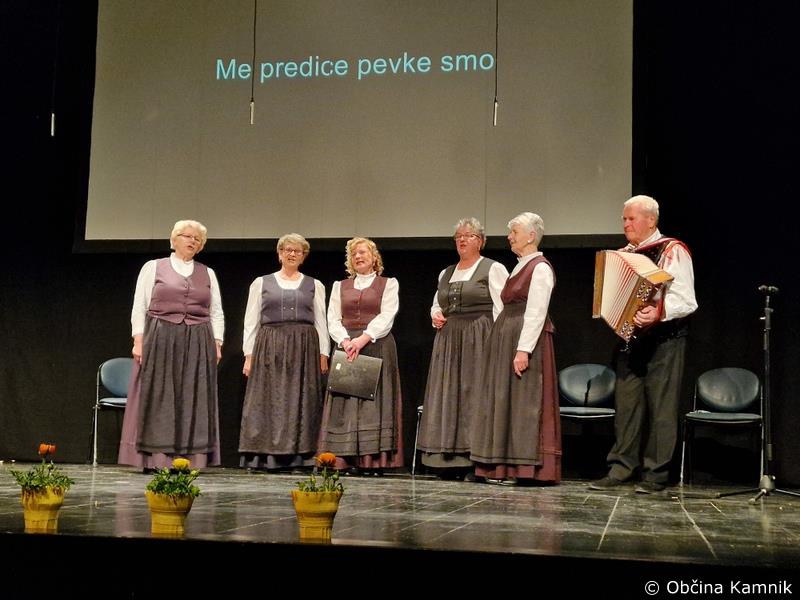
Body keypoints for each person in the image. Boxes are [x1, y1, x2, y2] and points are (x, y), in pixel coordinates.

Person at [590, 195, 698, 494]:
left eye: (631, 218)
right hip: (631, 341)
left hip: (666, 339)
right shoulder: (624, 254)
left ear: (651, 220)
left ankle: (656, 474)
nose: (625, 224)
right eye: (623, 219)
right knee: (627, 407)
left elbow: (686, 299)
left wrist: (658, 312)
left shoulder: (672, 250)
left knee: (662, 408)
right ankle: (621, 468)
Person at [119, 219, 224, 470]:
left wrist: (217, 343)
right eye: (187, 236)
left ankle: (190, 458)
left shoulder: (207, 273)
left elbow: (216, 311)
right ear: (174, 239)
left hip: (198, 337)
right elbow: (140, 305)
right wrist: (138, 340)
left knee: (192, 395)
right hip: (161, 335)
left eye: (197, 239)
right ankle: (155, 458)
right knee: (159, 395)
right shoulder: (154, 267)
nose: (192, 241)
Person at [470, 212, 561, 486]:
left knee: (525, 402)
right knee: (505, 401)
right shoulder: (520, 267)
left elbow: (536, 311)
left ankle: (526, 467)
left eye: (515, 232)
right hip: (506, 337)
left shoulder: (540, 268)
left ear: (531, 236)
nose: (509, 237)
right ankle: (503, 466)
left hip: (523, 339)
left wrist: (523, 350)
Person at [417, 217, 509, 479]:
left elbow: (502, 308)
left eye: (469, 235)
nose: (462, 240)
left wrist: (499, 342)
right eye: (458, 236)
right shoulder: (446, 272)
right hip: (449, 340)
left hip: (479, 337)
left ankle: (476, 461)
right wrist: (436, 314)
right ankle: (448, 461)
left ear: (481, 241)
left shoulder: (493, 268)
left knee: (474, 395)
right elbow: (438, 303)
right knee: (448, 394)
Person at [238, 233, 330, 471]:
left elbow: (321, 321)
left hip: (304, 346)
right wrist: (249, 355)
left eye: (297, 251)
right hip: (270, 344)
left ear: (303, 256)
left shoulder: (315, 285)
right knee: (268, 398)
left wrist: (323, 353)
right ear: (279, 254)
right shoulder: (261, 283)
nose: (292, 254)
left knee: (301, 399)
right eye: (287, 250)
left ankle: (300, 457)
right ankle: (263, 456)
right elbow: (251, 321)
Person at [319, 237, 403, 474]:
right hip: (347, 346)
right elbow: (333, 317)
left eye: (363, 252)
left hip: (376, 345)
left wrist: (363, 338)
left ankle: (372, 462)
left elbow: (387, 315)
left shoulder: (388, 284)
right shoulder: (340, 286)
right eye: (354, 253)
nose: (358, 256)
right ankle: (344, 460)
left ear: (374, 257)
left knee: (372, 405)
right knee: (344, 404)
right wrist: (345, 341)